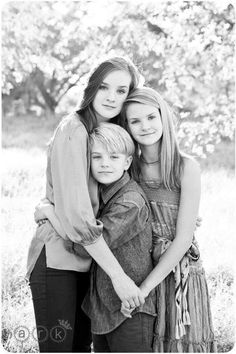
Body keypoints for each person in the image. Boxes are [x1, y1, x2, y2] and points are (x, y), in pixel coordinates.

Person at [26, 56, 146, 352]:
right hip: (57, 260)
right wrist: (119, 277)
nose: (111, 97)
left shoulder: (112, 136)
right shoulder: (74, 130)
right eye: (104, 86)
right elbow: (78, 217)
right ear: (92, 87)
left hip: (90, 262)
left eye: (121, 91)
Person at [36, 123, 157, 352]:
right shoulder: (99, 194)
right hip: (102, 309)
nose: (105, 163)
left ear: (127, 162)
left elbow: (85, 246)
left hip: (129, 308)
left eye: (113, 157)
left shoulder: (128, 202)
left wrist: (49, 213)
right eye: (96, 157)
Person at [119, 87, 217, 352]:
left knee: (180, 344)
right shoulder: (128, 169)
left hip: (177, 270)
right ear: (126, 125)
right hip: (139, 266)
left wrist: (145, 287)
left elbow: (184, 237)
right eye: (135, 120)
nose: (145, 126)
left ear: (164, 117)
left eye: (151, 117)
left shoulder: (186, 167)